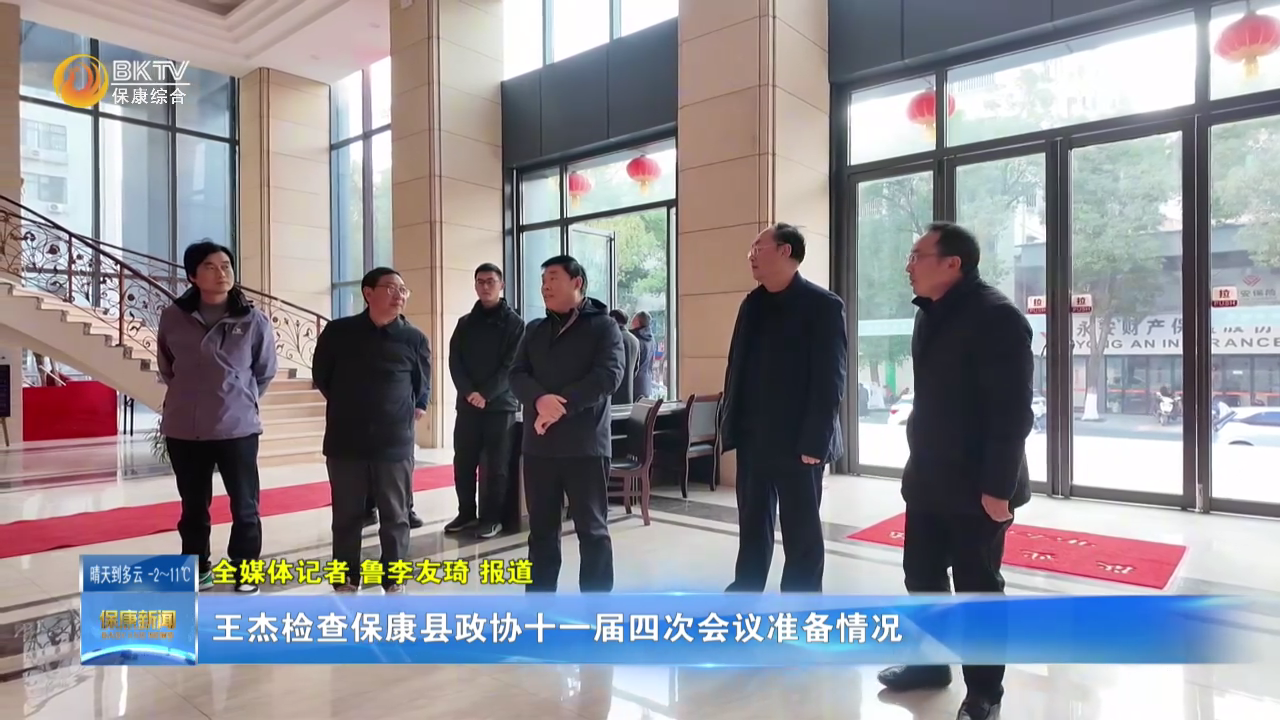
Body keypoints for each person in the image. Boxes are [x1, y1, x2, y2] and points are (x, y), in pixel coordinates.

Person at [876, 222, 1032, 720]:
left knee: (977, 589)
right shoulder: (930, 313)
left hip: (978, 485)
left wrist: (998, 488)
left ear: (952, 263)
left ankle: (985, 692)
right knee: (920, 576)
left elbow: (1012, 412)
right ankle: (929, 665)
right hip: (928, 479)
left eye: (917, 255)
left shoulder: (997, 317)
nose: (908, 265)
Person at [721, 223, 847, 593]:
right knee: (752, 524)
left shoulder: (823, 306)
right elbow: (736, 368)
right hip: (754, 438)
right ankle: (745, 594)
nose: (751, 256)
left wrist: (816, 441)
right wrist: (731, 427)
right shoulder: (752, 304)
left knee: (801, 530)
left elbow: (830, 379)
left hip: (799, 443)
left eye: (758, 247)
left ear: (785, 251)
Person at [157, 240, 278, 594]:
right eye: (210, 267)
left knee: (245, 506)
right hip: (185, 428)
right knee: (193, 507)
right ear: (193, 276)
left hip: (237, 428)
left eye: (226, 265)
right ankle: (198, 568)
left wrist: (238, 397)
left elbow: (264, 371)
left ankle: (246, 570)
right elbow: (168, 366)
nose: (221, 272)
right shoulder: (173, 317)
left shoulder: (253, 320)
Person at [312, 267, 431, 594]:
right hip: (345, 439)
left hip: (394, 441)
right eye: (391, 288)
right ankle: (345, 577)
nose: (399, 295)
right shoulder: (339, 332)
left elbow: (422, 385)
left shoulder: (414, 338)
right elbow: (322, 376)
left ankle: (394, 576)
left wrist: (414, 407)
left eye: (403, 290)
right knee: (346, 516)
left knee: (396, 515)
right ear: (368, 293)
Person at [510, 255, 624, 593]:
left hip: (585, 446)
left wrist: (560, 406)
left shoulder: (604, 327)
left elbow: (608, 376)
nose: (545, 286)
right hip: (539, 447)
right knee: (541, 533)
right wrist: (539, 400)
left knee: (592, 531)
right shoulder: (534, 329)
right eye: (543, 280)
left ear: (577, 282)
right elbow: (516, 374)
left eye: (553, 278)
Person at [446, 263, 524, 539]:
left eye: (491, 281)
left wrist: (486, 394)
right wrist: (469, 392)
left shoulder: (515, 324)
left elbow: (511, 364)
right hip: (468, 405)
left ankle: (492, 518)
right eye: (480, 281)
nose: (485, 286)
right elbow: (455, 361)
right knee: (463, 461)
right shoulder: (465, 323)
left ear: (502, 285)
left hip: (500, 406)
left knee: (496, 465)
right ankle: (466, 512)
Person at [608, 309, 639, 405]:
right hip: (628, 395)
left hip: (613, 395)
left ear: (613, 319)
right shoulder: (635, 340)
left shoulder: (613, 338)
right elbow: (636, 369)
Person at [629, 311, 655, 399]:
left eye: (633, 319)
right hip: (646, 384)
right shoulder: (651, 339)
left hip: (634, 385)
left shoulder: (634, 340)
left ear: (637, 321)